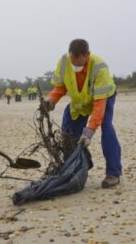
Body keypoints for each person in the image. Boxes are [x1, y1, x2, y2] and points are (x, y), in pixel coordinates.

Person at [44, 39, 121, 188]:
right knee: (68, 134)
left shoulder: (99, 67)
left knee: (107, 129)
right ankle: (72, 169)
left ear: (87, 55)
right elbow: (60, 87)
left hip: (104, 97)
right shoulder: (65, 61)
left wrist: (89, 132)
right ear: (69, 55)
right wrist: (51, 101)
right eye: (73, 63)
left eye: (78, 64)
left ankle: (113, 173)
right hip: (80, 101)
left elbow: (99, 105)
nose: (75, 67)